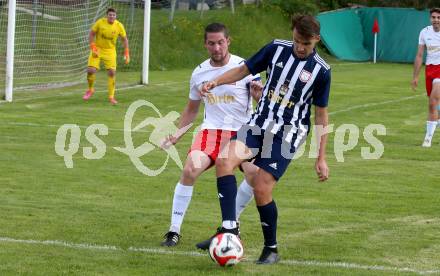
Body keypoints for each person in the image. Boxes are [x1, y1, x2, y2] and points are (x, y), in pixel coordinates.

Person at [197, 15, 331, 265]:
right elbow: (244, 70)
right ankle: (229, 230)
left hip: (288, 133)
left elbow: (321, 114)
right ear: (292, 34)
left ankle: (271, 249)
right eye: (297, 41)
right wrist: (216, 81)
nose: (301, 48)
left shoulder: (322, 71)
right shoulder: (276, 48)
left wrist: (321, 157)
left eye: (307, 44)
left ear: (317, 40)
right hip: (259, 123)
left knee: (261, 186)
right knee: (224, 161)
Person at [160, 23, 263, 247]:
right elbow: (191, 109)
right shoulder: (199, 73)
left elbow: (263, 102)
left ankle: (230, 225)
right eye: (211, 43)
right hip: (212, 131)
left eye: (220, 42)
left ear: (228, 41)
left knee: (255, 176)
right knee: (190, 169)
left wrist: (258, 96)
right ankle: (173, 230)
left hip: (242, 132)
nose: (216, 48)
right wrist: (177, 134)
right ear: (205, 44)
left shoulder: (245, 67)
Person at [83, 7, 130, 105]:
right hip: (98, 49)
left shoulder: (119, 26)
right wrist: (93, 46)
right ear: (107, 15)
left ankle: (111, 97)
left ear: (116, 16)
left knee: (112, 73)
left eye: (113, 15)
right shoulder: (100, 22)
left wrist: (126, 52)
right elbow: (91, 34)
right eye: (110, 15)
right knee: (91, 70)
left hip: (110, 51)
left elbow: (124, 39)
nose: (112, 16)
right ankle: (90, 90)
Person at [412, 7, 440, 147]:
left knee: (432, 102)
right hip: (429, 69)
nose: (436, 20)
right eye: (434, 17)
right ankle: (437, 120)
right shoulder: (424, 32)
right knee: (434, 104)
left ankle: (428, 138)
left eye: (438, 17)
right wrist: (415, 77)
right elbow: (419, 55)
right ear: (430, 18)